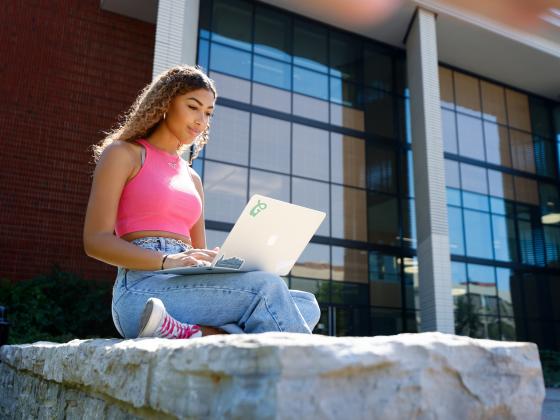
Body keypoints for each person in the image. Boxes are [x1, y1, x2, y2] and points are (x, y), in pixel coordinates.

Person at [83, 64, 321, 339]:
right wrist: (167, 260)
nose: (201, 120)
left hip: (188, 282)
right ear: (166, 103)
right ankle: (220, 337)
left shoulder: (192, 177)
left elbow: (198, 251)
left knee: (305, 303)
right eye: (193, 107)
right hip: (142, 290)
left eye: (208, 113)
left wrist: (218, 261)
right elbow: (95, 241)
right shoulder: (124, 154)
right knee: (268, 291)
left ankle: (196, 332)